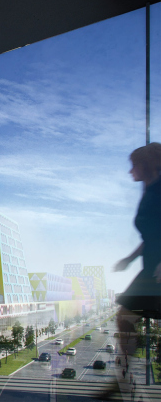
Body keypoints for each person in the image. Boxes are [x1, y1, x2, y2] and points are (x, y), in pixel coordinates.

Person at [108, 143, 161, 398]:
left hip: (158, 269)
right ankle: (124, 380)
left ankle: (124, 381)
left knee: (126, 317)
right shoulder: (150, 190)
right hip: (151, 267)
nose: (130, 171)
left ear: (147, 164)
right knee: (125, 317)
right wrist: (129, 259)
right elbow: (151, 235)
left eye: (134, 165)